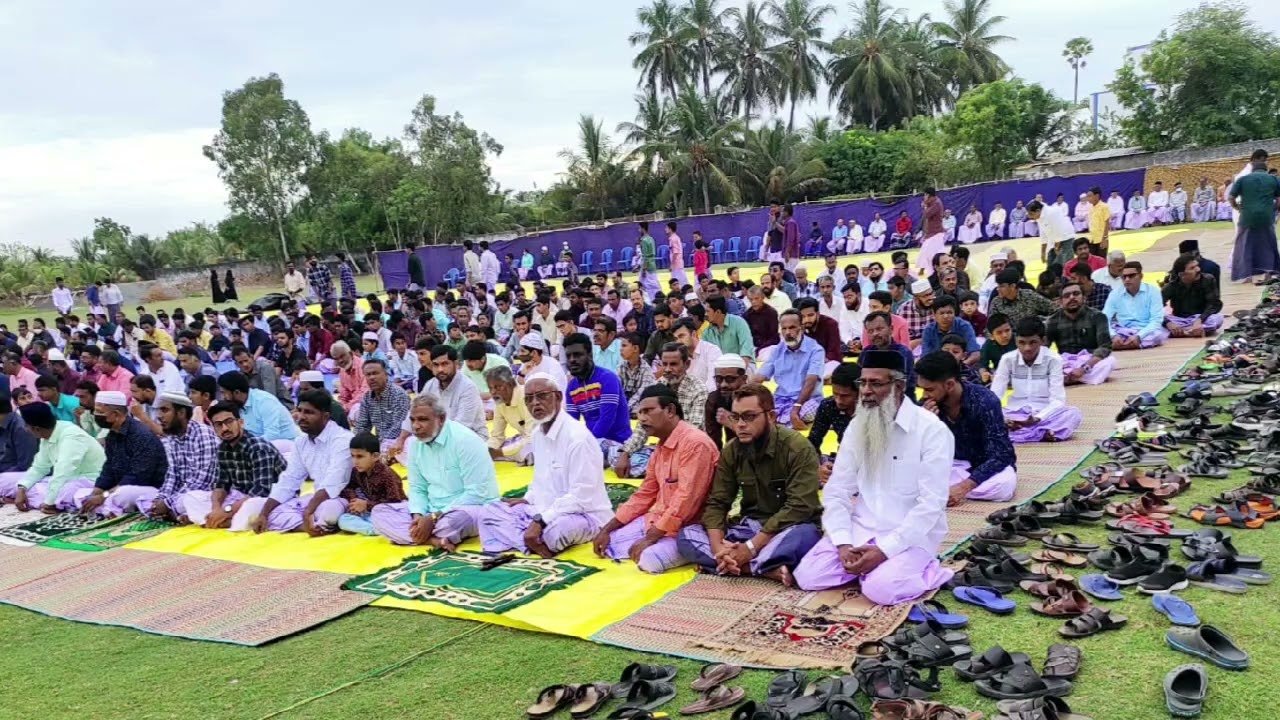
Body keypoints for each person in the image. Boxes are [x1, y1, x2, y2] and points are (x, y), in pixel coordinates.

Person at [792, 352, 954, 602]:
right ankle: (870, 569)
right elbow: (838, 490)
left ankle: (930, 570)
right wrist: (844, 543)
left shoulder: (932, 431)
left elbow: (932, 505)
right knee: (807, 576)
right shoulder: (858, 426)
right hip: (862, 527)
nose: (866, 391)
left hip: (911, 535)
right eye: (863, 383)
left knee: (881, 591)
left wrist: (884, 551)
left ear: (898, 386)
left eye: (875, 383)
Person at [678, 384, 822, 587]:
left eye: (749, 417)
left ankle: (743, 562)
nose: (740, 424)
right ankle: (758, 568)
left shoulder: (797, 448)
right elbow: (718, 502)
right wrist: (719, 548)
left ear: (771, 416)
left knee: (804, 536)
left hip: (789, 528)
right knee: (686, 535)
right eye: (735, 417)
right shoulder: (732, 451)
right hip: (750, 528)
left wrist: (751, 548)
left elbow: (800, 507)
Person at [477, 373, 615, 557]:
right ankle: (531, 542)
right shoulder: (537, 434)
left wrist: (541, 520)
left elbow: (581, 496)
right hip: (542, 511)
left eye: (542, 396)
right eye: (529, 399)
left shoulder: (577, 438)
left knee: (556, 533)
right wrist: (528, 499)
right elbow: (539, 481)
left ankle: (525, 539)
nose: (535, 403)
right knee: (488, 512)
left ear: (557, 397)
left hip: (583, 515)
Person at [371, 395, 499, 549]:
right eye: (412, 420)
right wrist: (418, 516)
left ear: (441, 419)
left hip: (469, 507)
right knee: (379, 512)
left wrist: (434, 517)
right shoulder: (416, 445)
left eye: (423, 419)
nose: (416, 426)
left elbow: (477, 493)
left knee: (455, 521)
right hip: (431, 510)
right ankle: (433, 540)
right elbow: (417, 488)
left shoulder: (465, 440)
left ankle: (417, 535)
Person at [914, 351, 1017, 504]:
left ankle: (942, 491)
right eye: (922, 389)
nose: (924, 395)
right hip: (951, 465)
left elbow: (1001, 455)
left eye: (929, 389)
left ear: (949, 385)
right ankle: (943, 491)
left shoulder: (985, 400)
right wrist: (926, 423)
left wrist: (963, 488)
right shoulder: (926, 405)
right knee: (906, 476)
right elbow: (916, 452)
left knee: (1002, 486)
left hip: (985, 466)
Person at [612, 343, 707, 478]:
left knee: (644, 463)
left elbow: (694, 430)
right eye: (664, 364)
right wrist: (625, 453)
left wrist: (664, 453)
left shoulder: (698, 390)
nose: (667, 369)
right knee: (614, 453)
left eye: (673, 364)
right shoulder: (658, 386)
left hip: (688, 450)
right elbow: (642, 428)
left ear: (687, 364)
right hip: (661, 447)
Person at [74, 390, 169, 517]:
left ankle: (108, 507)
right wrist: (97, 492)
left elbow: (137, 478)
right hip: (118, 487)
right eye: (96, 411)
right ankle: (106, 507)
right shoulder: (112, 435)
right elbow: (109, 469)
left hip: (146, 489)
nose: (96, 415)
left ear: (116, 414)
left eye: (100, 412)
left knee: (123, 494)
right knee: (79, 493)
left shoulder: (141, 435)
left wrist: (104, 495)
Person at [0, 401, 105, 511]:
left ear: (36, 428)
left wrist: (49, 502)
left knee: (63, 493)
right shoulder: (46, 436)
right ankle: (33, 499)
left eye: (27, 426)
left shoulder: (72, 436)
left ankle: (39, 501)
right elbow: (39, 468)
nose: (26, 429)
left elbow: (63, 471)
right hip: (63, 479)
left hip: (87, 480)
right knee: (5, 479)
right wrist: (22, 489)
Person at [992, 318, 1083, 443]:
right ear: (1016, 341)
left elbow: (1058, 400)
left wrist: (1037, 418)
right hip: (1014, 413)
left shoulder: (1053, 359)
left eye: (1033, 342)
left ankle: (1021, 434)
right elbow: (994, 396)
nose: (1027, 348)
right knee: (984, 414)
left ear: (1043, 340)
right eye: (1021, 343)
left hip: (1043, 414)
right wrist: (1004, 419)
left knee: (1073, 414)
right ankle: (1040, 433)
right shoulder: (1007, 359)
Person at [134, 392, 219, 521]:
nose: (159, 416)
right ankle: (172, 513)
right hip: (183, 495)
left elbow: (203, 482)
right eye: (158, 411)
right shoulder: (173, 438)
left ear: (181, 413)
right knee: (140, 497)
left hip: (206, 495)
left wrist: (168, 503)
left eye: (164, 410)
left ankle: (173, 512)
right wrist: (160, 499)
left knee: (188, 500)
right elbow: (172, 476)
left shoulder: (203, 435)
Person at [562, 333, 631, 457]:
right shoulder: (571, 388)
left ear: (590, 355)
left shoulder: (608, 378)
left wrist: (587, 445)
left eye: (577, 355)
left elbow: (606, 419)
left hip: (619, 444)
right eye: (569, 356)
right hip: (592, 443)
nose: (572, 360)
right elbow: (572, 422)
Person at [754, 310, 824, 429]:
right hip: (781, 399)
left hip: (807, 400)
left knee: (806, 413)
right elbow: (760, 376)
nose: (787, 332)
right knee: (760, 413)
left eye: (792, 328)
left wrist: (796, 407)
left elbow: (811, 381)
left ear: (801, 327)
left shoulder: (816, 350)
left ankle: (783, 423)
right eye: (784, 328)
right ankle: (788, 423)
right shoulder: (777, 350)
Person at [1047, 281, 1115, 386]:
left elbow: (1105, 347)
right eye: (1066, 296)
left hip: (1090, 361)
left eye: (1076, 294)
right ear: (1060, 302)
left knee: (1110, 362)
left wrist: (1084, 368)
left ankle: (1068, 379)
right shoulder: (1053, 320)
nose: (1072, 298)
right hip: (1065, 362)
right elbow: (1044, 347)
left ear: (1084, 298)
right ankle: (1074, 377)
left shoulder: (1097, 316)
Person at [1229, 149, 1280, 283]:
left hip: (1247, 217)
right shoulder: (1273, 179)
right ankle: (1269, 273)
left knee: (1245, 244)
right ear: (1265, 167)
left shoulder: (1243, 179)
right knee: (1268, 244)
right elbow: (1279, 200)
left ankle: (1246, 275)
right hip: (1266, 217)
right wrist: (1273, 209)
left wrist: (1236, 207)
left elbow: (1231, 197)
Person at [216, 371, 299, 453]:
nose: (223, 397)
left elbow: (272, 435)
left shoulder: (264, 401)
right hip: (259, 446)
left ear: (237, 392)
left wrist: (246, 447)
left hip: (287, 445)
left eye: (224, 393)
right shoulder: (236, 405)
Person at [807, 362, 859, 477]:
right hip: (842, 458)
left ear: (859, 393)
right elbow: (812, 442)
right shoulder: (828, 405)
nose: (838, 400)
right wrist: (817, 468)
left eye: (845, 396)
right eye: (835, 394)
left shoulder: (872, 409)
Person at [1103, 261, 1168, 350]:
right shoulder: (1115, 293)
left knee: (1158, 335)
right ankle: (1128, 344)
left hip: (1145, 330)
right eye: (1124, 277)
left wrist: (1139, 336)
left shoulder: (1153, 291)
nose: (1127, 280)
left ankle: (1121, 345)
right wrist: (1113, 335)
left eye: (1131, 276)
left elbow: (1156, 320)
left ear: (1141, 276)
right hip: (1123, 330)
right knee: (1102, 333)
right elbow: (1104, 318)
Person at [1163, 253, 1223, 337]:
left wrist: (1199, 320)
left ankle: (1183, 332)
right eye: (1192, 268)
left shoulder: (1208, 279)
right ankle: (1191, 331)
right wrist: (1168, 323)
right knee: (1157, 325)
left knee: (1217, 318)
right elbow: (1155, 309)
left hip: (1201, 318)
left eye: (1197, 266)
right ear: (1181, 274)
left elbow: (1214, 304)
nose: (1198, 269)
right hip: (1180, 320)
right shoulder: (1171, 286)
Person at [485, 366, 535, 464]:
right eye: (490, 388)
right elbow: (497, 436)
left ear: (509, 384)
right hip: (523, 438)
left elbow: (532, 437)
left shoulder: (526, 397)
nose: (493, 392)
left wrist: (500, 453)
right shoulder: (500, 402)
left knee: (530, 451)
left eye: (497, 387)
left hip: (539, 439)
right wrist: (488, 450)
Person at [920, 296, 979, 363]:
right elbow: (925, 356)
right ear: (934, 314)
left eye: (949, 313)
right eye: (941, 313)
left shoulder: (964, 326)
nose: (946, 316)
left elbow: (975, 353)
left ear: (955, 313)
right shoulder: (929, 330)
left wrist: (963, 365)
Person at [988, 269, 1055, 327]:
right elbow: (990, 327)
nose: (998, 289)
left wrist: (1043, 322)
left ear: (1012, 286)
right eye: (998, 286)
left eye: (1002, 286)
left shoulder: (1029, 296)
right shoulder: (996, 303)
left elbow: (1054, 308)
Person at [701, 297, 755, 367]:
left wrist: (740, 369)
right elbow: (706, 356)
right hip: (720, 369)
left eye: (708, 311)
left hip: (743, 365)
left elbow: (746, 349)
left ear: (718, 312)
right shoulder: (706, 332)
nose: (705, 314)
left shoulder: (739, 322)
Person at [617, 332, 658, 415]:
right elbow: (617, 389)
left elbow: (641, 394)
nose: (621, 349)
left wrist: (624, 409)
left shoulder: (646, 370)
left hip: (637, 407)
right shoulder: (621, 366)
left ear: (635, 348)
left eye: (624, 346)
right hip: (624, 406)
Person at [1027, 199, 1075, 266]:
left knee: (1066, 264)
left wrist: (1057, 247)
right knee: (1050, 264)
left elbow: (1058, 230)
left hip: (1066, 238)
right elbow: (1043, 235)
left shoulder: (1051, 213)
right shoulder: (1039, 216)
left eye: (1031, 214)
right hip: (1054, 240)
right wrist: (1043, 253)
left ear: (1038, 211)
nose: (1029, 217)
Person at [918, 188, 947, 276]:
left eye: (925, 195)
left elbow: (927, 214)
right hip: (931, 233)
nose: (924, 197)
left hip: (936, 232)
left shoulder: (936, 203)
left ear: (929, 195)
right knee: (925, 251)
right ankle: (923, 269)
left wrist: (924, 206)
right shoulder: (932, 202)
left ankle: (935, 271)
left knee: (933, 253)